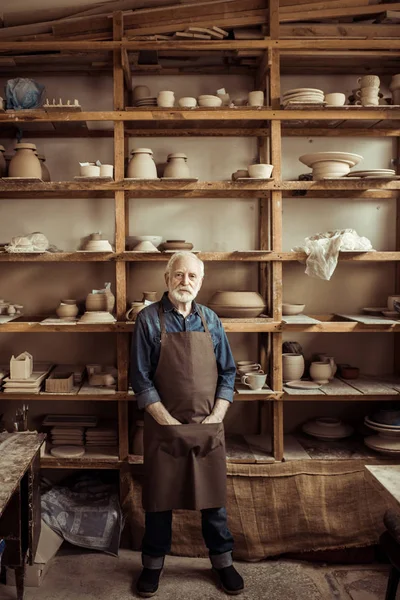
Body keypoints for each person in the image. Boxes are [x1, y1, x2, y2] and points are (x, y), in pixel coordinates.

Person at [130, 251, 244, 597]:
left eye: (192, 276)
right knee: (159, 501)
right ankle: (152, 566)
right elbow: (141, 379)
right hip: (164, 427)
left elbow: (228, 373)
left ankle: (223, 562)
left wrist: (216, 417)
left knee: (214, 504)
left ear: (201, 281)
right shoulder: (148, 320)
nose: (185, 282)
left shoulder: (210, 319)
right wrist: (168, 422)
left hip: (209, 425)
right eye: (178, 275)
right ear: (167, 279)